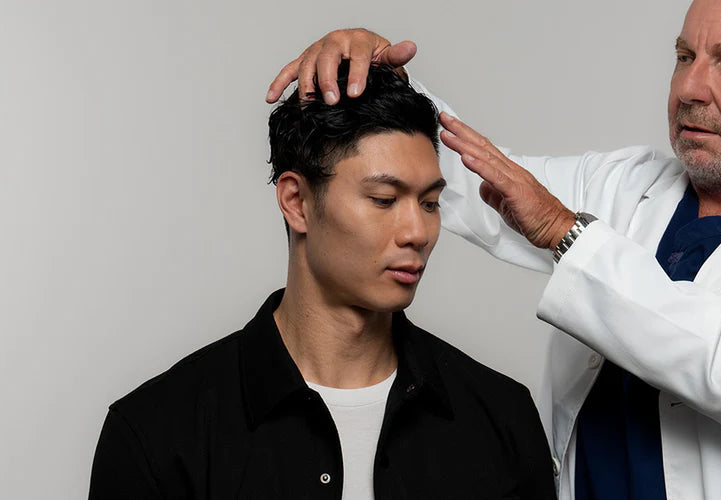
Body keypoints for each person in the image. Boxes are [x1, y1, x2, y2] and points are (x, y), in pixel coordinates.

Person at [265, 0, 721, 499]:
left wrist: (565, 232)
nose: (691, 88)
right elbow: (468, 180)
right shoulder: (626, 186)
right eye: (684, 56)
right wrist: (373, 72)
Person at [89, 63, 556, 500]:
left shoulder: (502, 418)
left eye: (431, 204)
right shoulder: (158, 432)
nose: (417, 233)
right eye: (383, 199)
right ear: (296, 201)